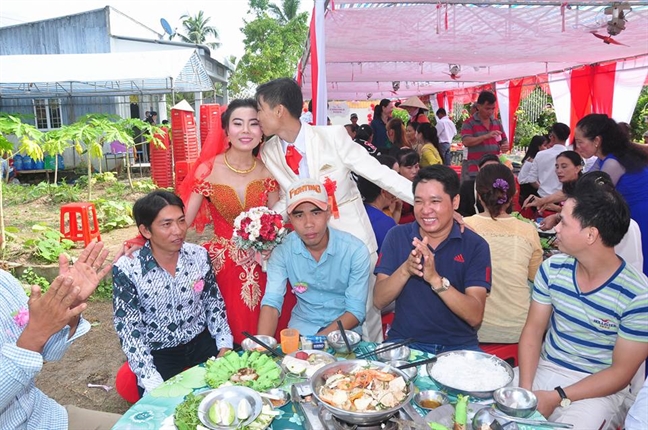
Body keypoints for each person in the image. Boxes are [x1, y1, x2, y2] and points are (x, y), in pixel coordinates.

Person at [255, 78, 413, 342]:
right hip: (309, 242)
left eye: (260, 109)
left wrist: (425, 201)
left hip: (352, 238)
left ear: (279, 110)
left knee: (366, 312)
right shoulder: (270, 151)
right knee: (318, 307)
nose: (257, 117)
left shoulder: (333, 137)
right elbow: (287, 197)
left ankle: (371, 368)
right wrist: (263, 229)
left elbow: (380, 174)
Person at [517, 171, 648, 428]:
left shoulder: (638, 295)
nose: (556, 227)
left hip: (599, 389)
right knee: (493, 410)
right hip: (545, 368)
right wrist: (524, 392)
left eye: (563, 223)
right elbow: (533, 331)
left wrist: (557, 397)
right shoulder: (553, 269)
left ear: (590, 235)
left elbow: (621, 373)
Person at [178, 99, 294, 345]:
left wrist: (264, 247)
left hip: (263, 260)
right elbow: (182, 221)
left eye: (253, 124)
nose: (245, 131)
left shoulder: (268, 170)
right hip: (222, 262)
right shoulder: (207, 170)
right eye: (237, 123)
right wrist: (144, 240)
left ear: (262, 131)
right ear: (226, 131)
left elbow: (277, 221)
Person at [113, 190, 233, 396]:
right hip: (160, 351)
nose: (178, 231)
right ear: (146, 230)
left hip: (201, 341)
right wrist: (150, 378)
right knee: (164, 410)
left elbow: (213, 303)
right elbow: (129, 329)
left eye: (181, 221)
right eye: (166, 224)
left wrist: (224, 344)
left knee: (234, 388)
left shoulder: (198, 255)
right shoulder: (128, 268)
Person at [1, 241, 121, 430]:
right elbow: (33, 340)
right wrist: (34, 335)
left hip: (44, 418)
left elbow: (50, 351)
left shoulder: (4, 283)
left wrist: (68, 307)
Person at [374, 165, 492, 354]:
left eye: (435, 201)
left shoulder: (475, 245)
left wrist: (435, 280)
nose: (425, 210)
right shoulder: (397, 236)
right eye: (419, 201)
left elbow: (475, 316)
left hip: (458, 347)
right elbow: (379, 300)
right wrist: (406, 269)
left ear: (455, 202)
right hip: (405, 344)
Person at [257, 179, 370, 336]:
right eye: (299, 215)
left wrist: (315, 343)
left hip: (343, 335)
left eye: (316, 213)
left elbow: (355, 311)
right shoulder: (282, 250)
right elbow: (272, 301)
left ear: (328, 212)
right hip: (302, 329)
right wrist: (261, 346)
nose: (308, 223)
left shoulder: (355, 251)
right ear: (290, 218)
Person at [464, 164, 542, 344]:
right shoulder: (528, 230)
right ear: (513, 194)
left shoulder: (464, 226)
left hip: (472, 329)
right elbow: (536, 277)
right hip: (519, 330)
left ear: (478, 194)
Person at [573, 113, 648, 276]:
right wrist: (547, 199)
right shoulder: (604, 159)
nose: (577, 147)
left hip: (640, 214)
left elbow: (593, 195)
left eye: (580, 142)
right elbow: (583, 186)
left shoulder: (613, 163)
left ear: (597, 141)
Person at [461, 91, 509, 181]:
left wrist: (505, 145)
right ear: (478, 107)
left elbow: (504, 140)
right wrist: (486, 136)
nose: (490, 112)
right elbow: (466, 142)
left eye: (493, 108)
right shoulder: (469, 123)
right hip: (475, 169)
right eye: (487, 109)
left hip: (494, 169)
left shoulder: (496, 123)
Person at [518, 123, 570, 199]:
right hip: (563, 200)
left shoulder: (540, 155)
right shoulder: (572, 155)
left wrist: (543, 189)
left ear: (553, 137)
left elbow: (531, 179)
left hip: (542, 198)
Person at [522, 150, 583, 215]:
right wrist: (541, 201)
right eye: (557, 167)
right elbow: (565, 193)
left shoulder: (586, 187)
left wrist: (556, 208)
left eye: (564, 166)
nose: (558, 171)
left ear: (577, 168)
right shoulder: (570, 185)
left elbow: (580, 215)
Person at [517, 135, 549, 214]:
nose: (547, 148)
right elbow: (532, 181)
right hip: (527, 189)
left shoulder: (529, 158)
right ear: (538, 147)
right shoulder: (533, 161)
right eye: (545, 145)